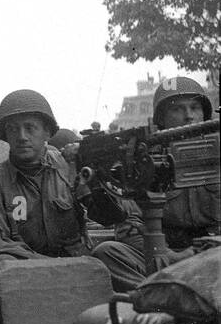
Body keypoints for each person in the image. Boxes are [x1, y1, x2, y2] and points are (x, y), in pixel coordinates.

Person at [91, 76, 219, 290]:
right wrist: (170, 255)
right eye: (177, 109)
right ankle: (168, 294)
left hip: (214, 250)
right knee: (107, 252)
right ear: (161, 117)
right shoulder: (145, 160)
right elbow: (129, 225)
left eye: (194, 107)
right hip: (165, 254)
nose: (188, 116)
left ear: (204, 113)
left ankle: (163, 292)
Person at [0, 89, 88, 282]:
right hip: (25, 273)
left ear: (47, 132)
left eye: (30, 127)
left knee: (108, 252)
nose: (22, 136)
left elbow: (108, 217)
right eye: (13, 129)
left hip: (76, 265)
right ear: (5, 136)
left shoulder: (70, 167)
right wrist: (46, 265)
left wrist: (93, 167)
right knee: (0, 264)